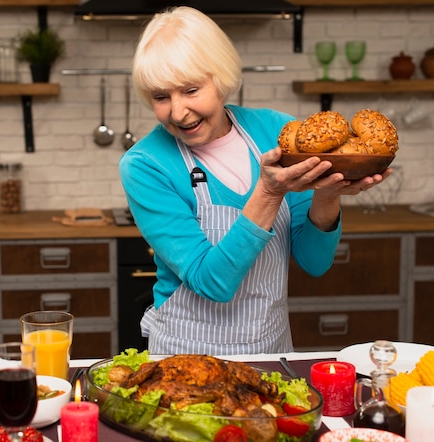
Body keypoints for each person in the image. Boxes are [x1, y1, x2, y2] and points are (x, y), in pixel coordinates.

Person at [119, 6, 393, 355]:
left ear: (220, 79)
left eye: (190, 90)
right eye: (161, 97)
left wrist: (327, 193)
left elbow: (314, 262)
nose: (177, 112)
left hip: (271, 350)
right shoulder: (145, 164)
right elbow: (211, 282)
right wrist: (269, 190)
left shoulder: (275, 132)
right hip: (184, 358)